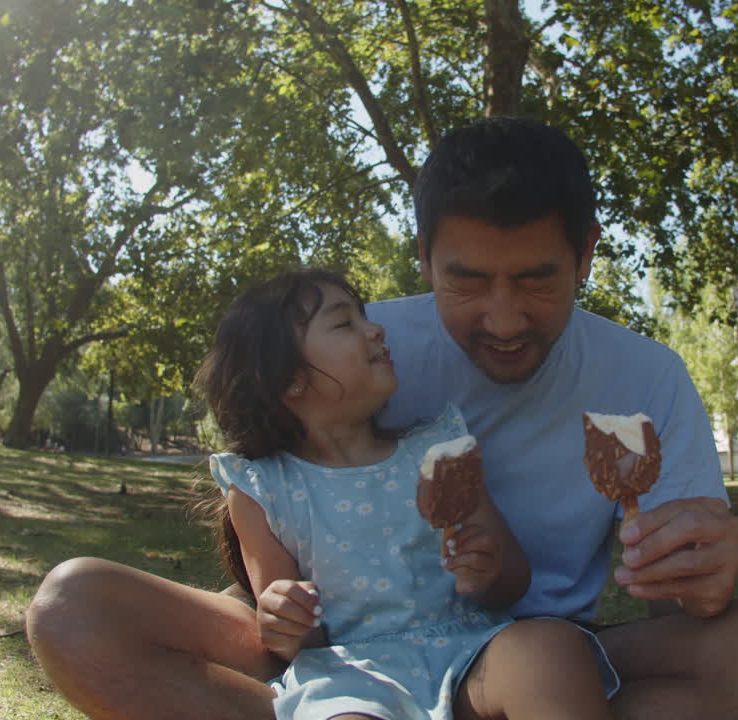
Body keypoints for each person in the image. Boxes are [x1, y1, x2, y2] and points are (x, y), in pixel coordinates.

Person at [27, 117, 738, 720]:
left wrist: (697, 577)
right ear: (422, 259)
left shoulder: (647, 380)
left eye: (536, 279)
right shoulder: (366, 352)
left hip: (541, 662)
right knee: (72, 608)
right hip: (349, 662)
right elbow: (282, 508)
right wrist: (285, 619)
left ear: (587, 255)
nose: (503, 319)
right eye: (465, 281)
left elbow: (679, 604)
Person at [191, 268, 618, 719]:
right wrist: (285, 619)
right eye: (344, 324)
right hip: (352, 676)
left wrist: (489, 571)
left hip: (471, 654)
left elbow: (512, 581)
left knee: (549, 647)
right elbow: (292, 631)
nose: (374, 328)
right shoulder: (261, 490)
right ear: (288, 378)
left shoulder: (438, 450)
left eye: (364, 317)